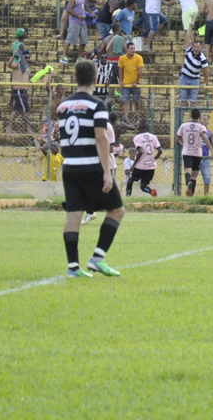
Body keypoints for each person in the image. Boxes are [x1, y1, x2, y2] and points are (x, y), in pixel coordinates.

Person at [57, 59, 124, 278]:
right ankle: (97, 258)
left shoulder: (63, 106)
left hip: (69, 167)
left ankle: (73, 267)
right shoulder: (98, 105)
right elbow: (101, 138)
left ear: (75, 79)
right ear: (95, 80)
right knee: (116, 210)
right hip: (91, 167)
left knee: (74, 213)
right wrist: (107, 171)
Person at [177, 108, 213, 197]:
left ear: (190, 116)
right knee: (194, 175)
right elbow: (205, 138)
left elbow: (177, 140)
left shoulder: (183, 125)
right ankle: (191, 194)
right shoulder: (201, 127)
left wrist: (182, 145)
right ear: (199, 117)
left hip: (187, 152)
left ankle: (189, 185)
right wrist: (212, 150)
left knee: (187, 171)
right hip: (197, 153)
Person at [127, 122, 162, 197]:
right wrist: (155, 158)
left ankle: (128, 196)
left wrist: (134, 165)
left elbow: (140, 151)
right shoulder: (153, 137)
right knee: (143, 186)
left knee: (130, 180)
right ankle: (152, 192)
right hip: (151, 166)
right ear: (148, 128)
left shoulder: (137, 137)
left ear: (139, 128)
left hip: (140, 166)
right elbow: (160, 150)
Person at [117, 41, 144, 123]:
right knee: (125, 101)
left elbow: (140, 71)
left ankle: (137, 116)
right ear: (127, 49)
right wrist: (121, 81)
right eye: (131, 48)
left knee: (137, 101)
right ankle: (126, 117)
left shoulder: (139, 58)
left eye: (134, 48)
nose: (133, 50)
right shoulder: (122, 58)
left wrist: (136, 82)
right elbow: (120, 70)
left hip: (136, 84)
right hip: (126, 84)